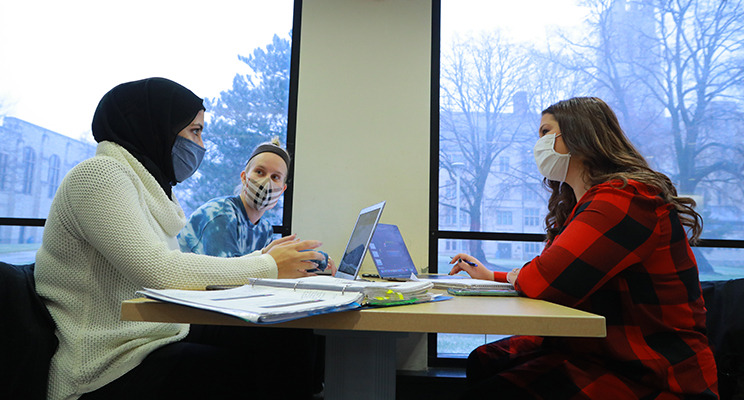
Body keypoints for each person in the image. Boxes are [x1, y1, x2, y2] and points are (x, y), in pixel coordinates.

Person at [34, 77, 331, 400]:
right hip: (105, 364)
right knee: (240, 369)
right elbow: (160, 272)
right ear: (157, 126)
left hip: (157, 335)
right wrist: (267, 266)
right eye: (195, 131)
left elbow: (169, 268)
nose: (201, 146)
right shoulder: (99, 175)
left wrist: (266, 260)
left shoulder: (147, 189)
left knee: (286, 335)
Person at [450, 97, 719, 399]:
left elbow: (546, 280)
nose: (537, 145)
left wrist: (518, 277)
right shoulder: (590, 202)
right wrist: (494, 277)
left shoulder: (623, 199)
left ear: (578, 137)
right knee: (485, 360)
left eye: (545, 132)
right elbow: (557, 276)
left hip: (651, 373)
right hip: (602, 351)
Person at [178, 138, 292, 257]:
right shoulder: (221, 213)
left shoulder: (264, 229)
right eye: (259, 172)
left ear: (282, 189)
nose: (266, 181)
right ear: (244, 177)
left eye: (275, 177)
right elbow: (227, 272)